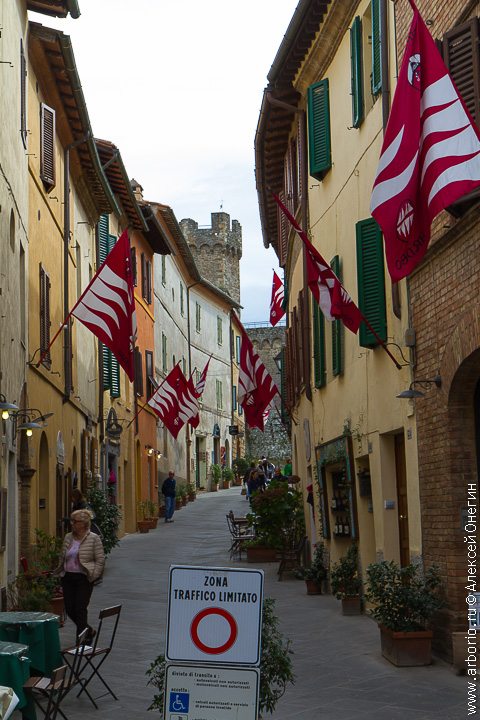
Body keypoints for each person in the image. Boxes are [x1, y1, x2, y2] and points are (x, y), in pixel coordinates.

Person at [58, 509, 105, 641]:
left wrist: (93, 575)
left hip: (83, 578)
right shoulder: (68, 537)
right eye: (72, 521)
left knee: (80, 608)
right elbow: (63, 556)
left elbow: (100, 559)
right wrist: (60, 571)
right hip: (68, 577)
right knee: (69, 608)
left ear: (84, 523)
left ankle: (82, 640)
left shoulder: (93, 538)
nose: (72, 524)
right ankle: (88, 630)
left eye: (75, 521)